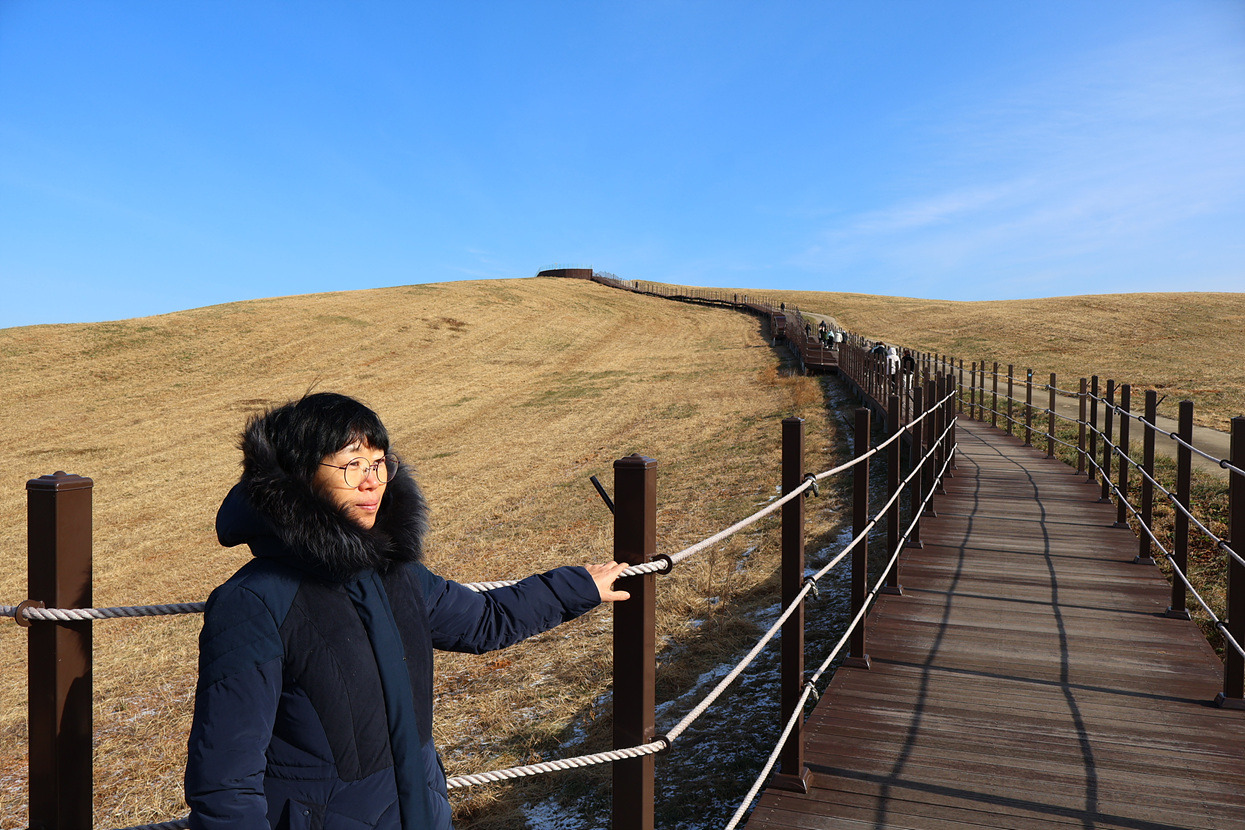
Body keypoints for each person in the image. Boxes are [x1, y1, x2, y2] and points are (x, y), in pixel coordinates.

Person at [184, 393, 629, 829]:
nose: (372, 481)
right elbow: (225, 784)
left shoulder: (397, 575)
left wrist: (578, 587)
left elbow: (484, 620)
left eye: (379, 463)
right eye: (352, 464)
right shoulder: (253, 603)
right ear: (299, 475)